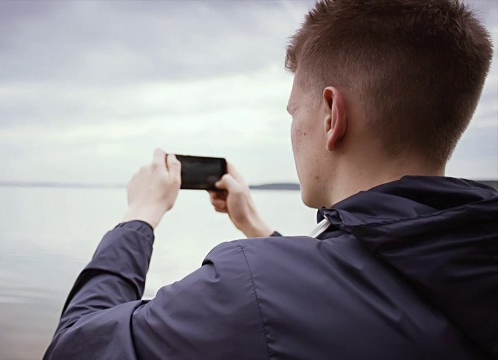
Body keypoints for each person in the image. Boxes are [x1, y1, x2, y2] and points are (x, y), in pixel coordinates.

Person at [44, 0, 497, 358]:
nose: (292, 129)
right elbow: (367, 284)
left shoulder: (247, 285)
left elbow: (76, 346)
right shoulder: (470, 254)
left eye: (294, 111)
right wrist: (255, 226)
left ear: (331, 116)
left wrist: (139, 216)